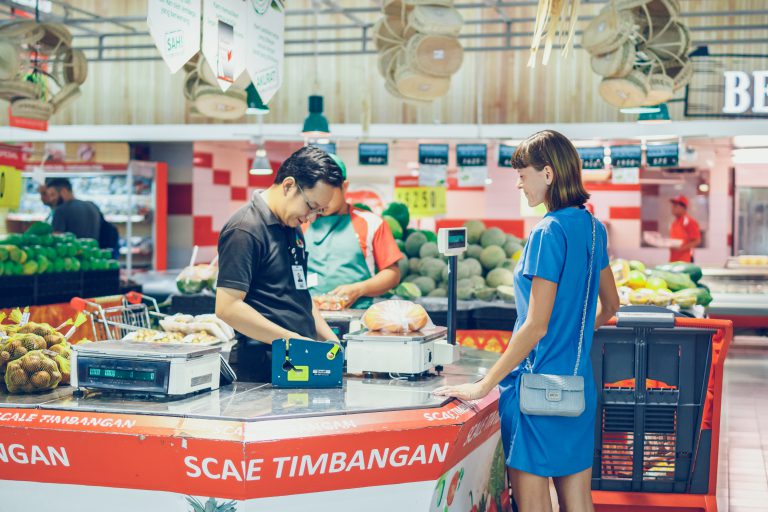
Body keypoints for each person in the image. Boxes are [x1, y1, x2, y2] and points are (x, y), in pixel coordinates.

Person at [434, 130, 620, 512]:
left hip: (537, 390)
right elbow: (611, 304)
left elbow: (535, 325)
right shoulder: (593, 228)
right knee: (578, 500)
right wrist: (576, 337)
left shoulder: (547, 231)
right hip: (578, 386)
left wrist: (484, 383)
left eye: (522, 174)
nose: (518, 184)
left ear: (548, 174)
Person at [215, 146, 345, 383]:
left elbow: (300, 294)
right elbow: (227, 307)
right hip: (264, 369)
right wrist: (291, 340)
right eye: (311, 206)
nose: (311, 218)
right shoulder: (245, 229)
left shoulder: (291, 226)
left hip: (298, 361)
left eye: (319, 211)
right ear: (288, 186)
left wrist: (331, 342)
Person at [304, 154, 403, 309]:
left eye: (328, 194)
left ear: (344, 186)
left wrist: (359, 289)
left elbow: (392, 273)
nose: (322, 202)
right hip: (309, 317)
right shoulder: (301, 222)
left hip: (358, 318)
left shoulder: (372, 223)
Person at [669, 195, 701, 263]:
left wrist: (681, 249)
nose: (672, 208)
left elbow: (696, 241)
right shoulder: (675, 223)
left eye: (675, 206)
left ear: (683, 208)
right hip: (674, 259)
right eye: (673, 206)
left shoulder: (689, 222)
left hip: (685, 260)